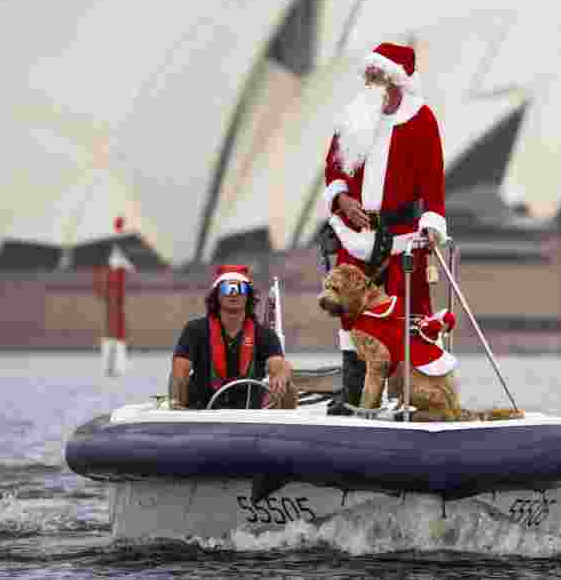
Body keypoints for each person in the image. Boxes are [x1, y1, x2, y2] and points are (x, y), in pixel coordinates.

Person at [321, 42, 448, 414]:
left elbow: (433, 182)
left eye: (376, 75)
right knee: (348, 313)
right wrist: (341, 200)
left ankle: (417, 396)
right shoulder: (354, 115)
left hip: (402, 237)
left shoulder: (421, 119)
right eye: (368, 75)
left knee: (409, 314)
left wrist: (430, 224)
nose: (369, 81)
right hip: (354, 235)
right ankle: (352, 394)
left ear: (394, 80)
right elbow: (334, 168)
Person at [169, 265, 296, 410]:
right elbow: (180, 369)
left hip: (249, 415)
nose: (233, 294)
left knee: (289, 387)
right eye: (227, 289)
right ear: (217, 294)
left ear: (248, 295)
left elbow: (278, 364)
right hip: (202, 412)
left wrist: (281, 374)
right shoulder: (195, 330)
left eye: (239, 289)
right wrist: (177, 398)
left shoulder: (264, 334)